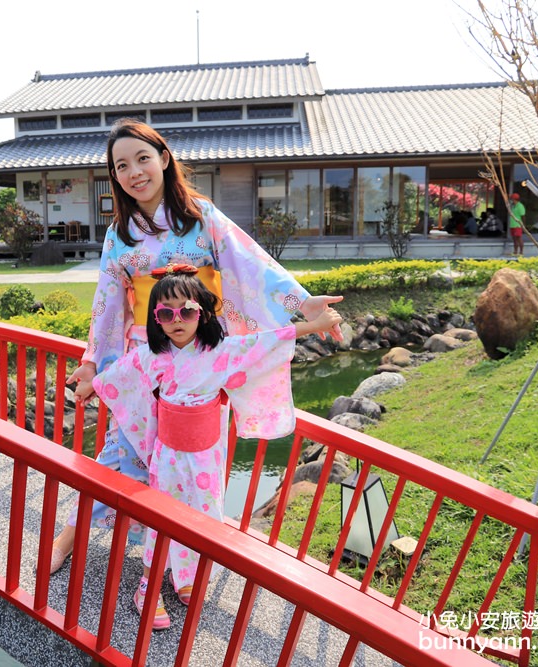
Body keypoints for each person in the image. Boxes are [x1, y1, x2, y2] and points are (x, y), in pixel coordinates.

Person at [45, 118, 343, 574]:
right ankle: (71, 532)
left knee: (193, 461)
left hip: (200, 360)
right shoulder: (119, 234)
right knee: (121, 452)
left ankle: (178, 558)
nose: (135, 172)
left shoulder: (201, 217)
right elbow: (107, 305)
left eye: (143, 159)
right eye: (122, 165)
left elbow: (251, 266)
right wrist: (93, 363)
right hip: (145, 357)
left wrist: (302, 304)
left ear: (164, 159)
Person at [80, 265, 343, 629]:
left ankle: (184, 576)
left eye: (186, 311)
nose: (177, 320)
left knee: (204, 517)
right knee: (162, 519)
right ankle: (147, 587)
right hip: (169, 457)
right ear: (155, 319)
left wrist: (312, 326)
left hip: (206, 457)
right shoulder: (153, 356)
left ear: (201, 312)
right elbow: (121, 375)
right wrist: (91, 382)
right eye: (165, 313)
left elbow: (266, 341)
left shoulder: (221, 351)